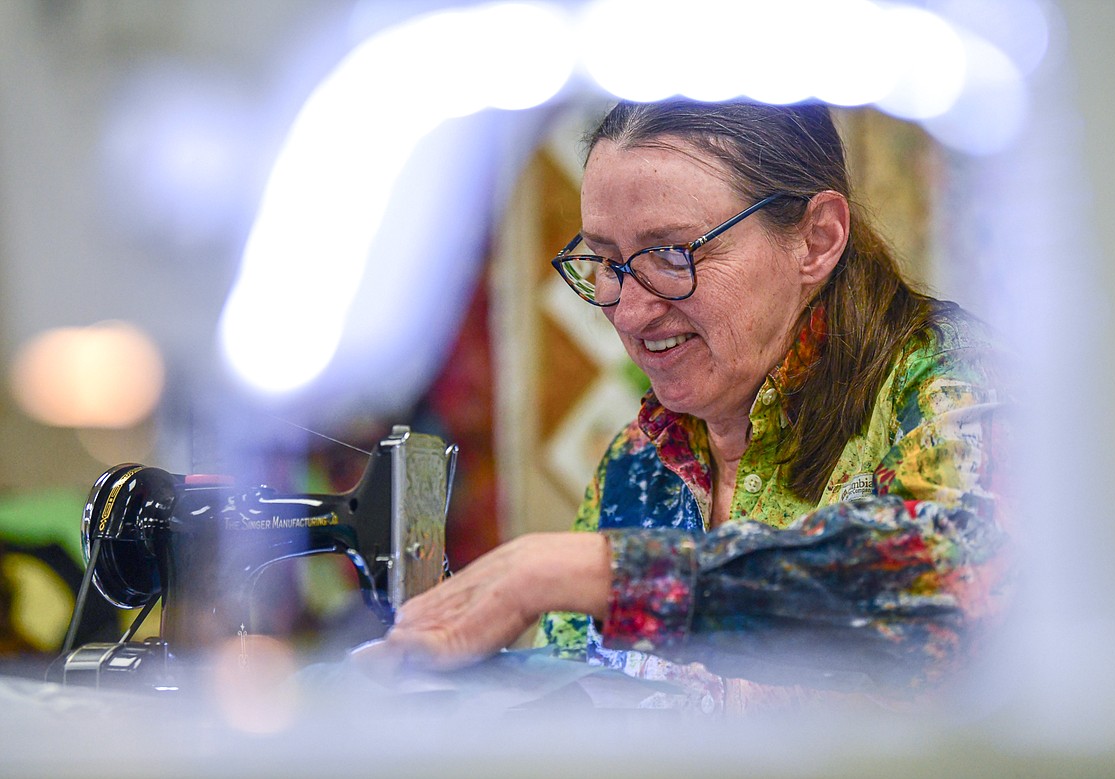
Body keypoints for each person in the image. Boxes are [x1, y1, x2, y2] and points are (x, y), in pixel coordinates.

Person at [354, 99, 1011, 712]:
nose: (631, 311)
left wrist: (585, 573)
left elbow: (939, 585)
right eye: (607, 261)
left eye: (672, 254)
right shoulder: (639, 466)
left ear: (817, 238)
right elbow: (578, 707)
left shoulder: (949, 384)